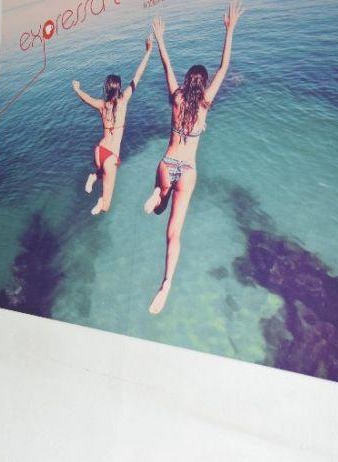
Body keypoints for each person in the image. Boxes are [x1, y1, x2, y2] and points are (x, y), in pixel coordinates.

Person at [143, 0, 245, 315]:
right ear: (203, 86)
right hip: (187, 171)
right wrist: (230, 30)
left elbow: (166, 65)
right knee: (173, 233)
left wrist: (160, 39)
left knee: (159, 199)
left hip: (167, 164)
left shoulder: (176, 98)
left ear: (187, 81)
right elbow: (224, 68)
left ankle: (158, 194)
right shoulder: (204, 105)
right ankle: (165, 284)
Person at [72, 35, 154, 216]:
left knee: (102, 172)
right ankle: (101, 201)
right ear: (119, 89)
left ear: (106, 89)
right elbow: (137, 76)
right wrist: (148, 51)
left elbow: (87, 99)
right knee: (106, 205)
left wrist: (77, 89)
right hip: (110, 157)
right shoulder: (123, 101)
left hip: (99, 150)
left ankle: (94, 176)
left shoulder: (102, 105)